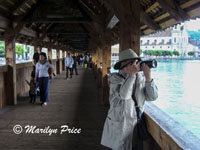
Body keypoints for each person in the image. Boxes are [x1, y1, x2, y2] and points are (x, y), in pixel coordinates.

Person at [101, 49, 158, 150]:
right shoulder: (114, 79)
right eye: (133, 63)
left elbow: (152, 97)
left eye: (137, 62)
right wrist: (131, 75)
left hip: (136, 125)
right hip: (120, 126)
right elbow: (124, 95)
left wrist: (148, 77)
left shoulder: (140, 78)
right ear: (123, 65)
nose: (136, 65)